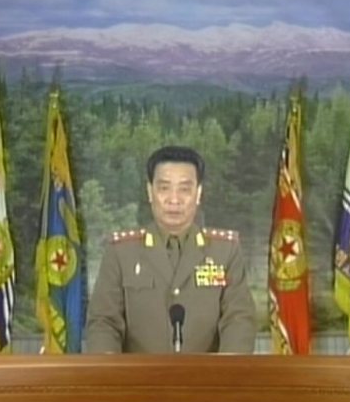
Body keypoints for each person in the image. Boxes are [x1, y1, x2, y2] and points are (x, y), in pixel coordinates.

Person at [85, 145, 257, 353]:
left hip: (208, 374)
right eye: (164, 188)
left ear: (198, 193)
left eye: (184, 189)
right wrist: (108, 370)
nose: (174, 200)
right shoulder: (121, 252)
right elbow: (104, 322)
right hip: (138, 373)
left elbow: (238, 320)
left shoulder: (224, 252)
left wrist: (229, 370)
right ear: (150, 192)